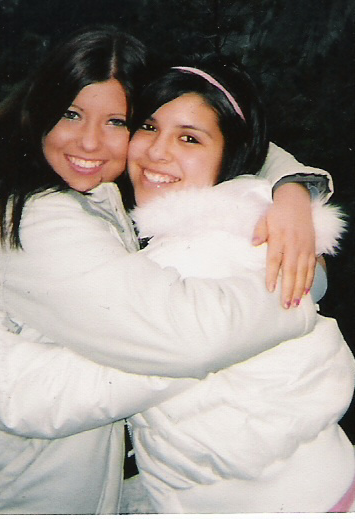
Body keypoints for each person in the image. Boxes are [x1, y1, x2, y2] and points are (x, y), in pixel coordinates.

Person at [0, 26, 334, 514]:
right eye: (71, 113)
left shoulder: (93, 187)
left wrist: (293, 190)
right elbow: (181, 343)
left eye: (117, 121)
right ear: (38, 110)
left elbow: (229, 130)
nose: (90, 142)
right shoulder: (32, 219)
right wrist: (300, 287)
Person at [124, 58, 355, 512]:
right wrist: (293, 189)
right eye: (148, 127)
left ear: (230, 153)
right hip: (330, 483)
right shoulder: (250, 216)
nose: (156, 152)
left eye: (189, 138)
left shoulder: (184, 259)